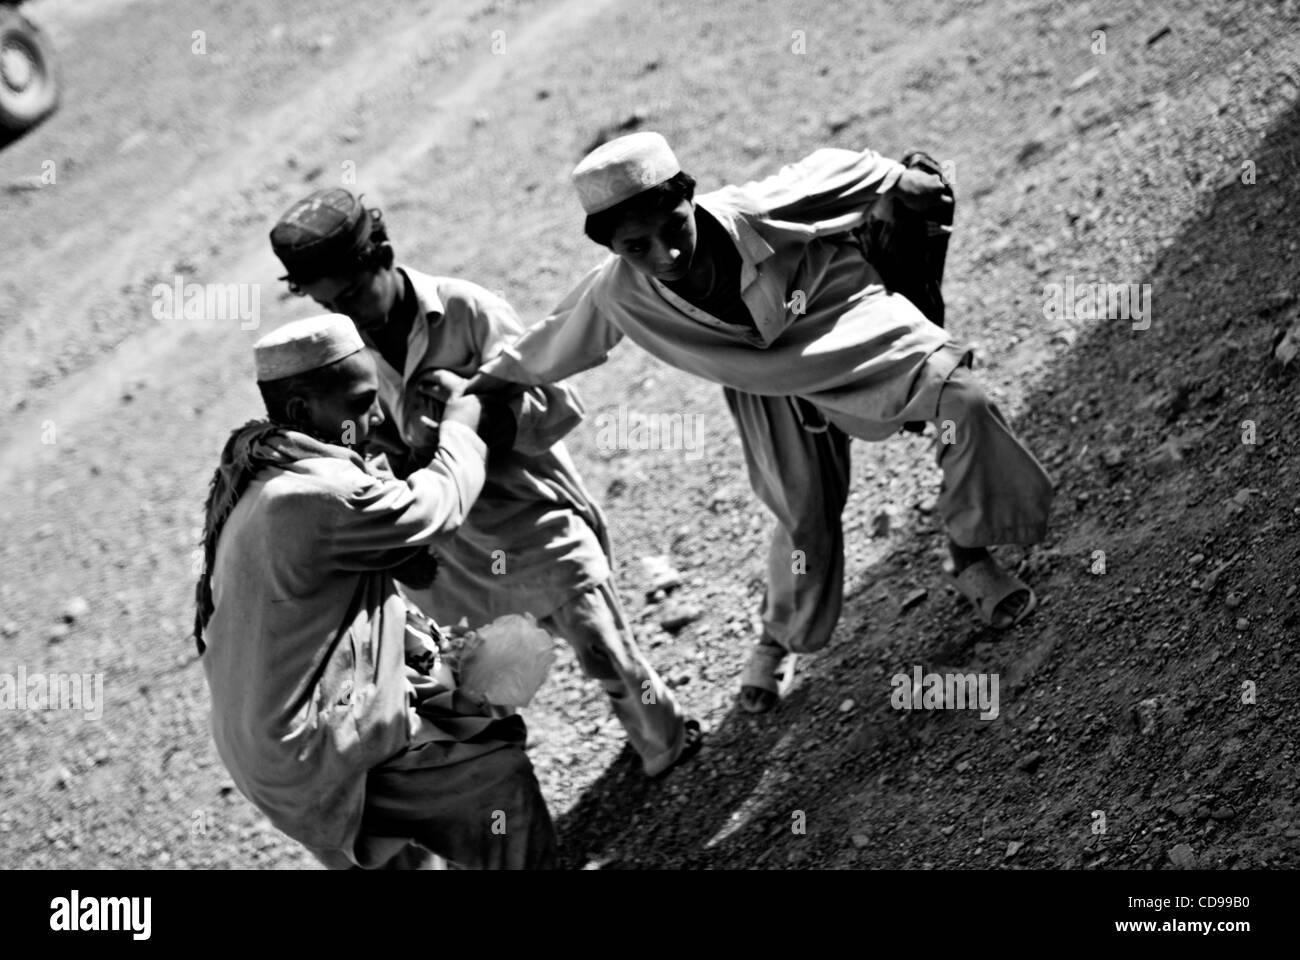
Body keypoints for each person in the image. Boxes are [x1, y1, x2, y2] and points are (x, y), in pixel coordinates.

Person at [469, 132, 1055, 714]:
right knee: (802, 516)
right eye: (636, 246)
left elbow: (833, 168)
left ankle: (970, 554)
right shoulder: (617, 294)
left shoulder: (757, 212)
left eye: (674, 226)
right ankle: (779, 636)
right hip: (765, 387)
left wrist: (895, 179)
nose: (666, 255)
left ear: (690, 199)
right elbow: (547, 344)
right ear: (612, 247)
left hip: (846, 328)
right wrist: (482, 390)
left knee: (964, 401)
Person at [267, 189, 701, 777]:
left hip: (529, 517)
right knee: (479, 688)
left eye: (352, 295)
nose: (350, 316)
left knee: (604, 648)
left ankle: (668, 745)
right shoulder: (348, 348)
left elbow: (556, 406)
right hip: (457, 551)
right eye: (330, 307)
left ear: (385, 256)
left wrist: (469, 403)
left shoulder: (466, 309)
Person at [194, 313, 555, 869]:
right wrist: (461, 425)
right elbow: (437, 508)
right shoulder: (313, 493)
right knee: (497, 782)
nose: (379, 414)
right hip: (315, 748)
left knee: (396, 853)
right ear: (300, 412)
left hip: (264, 748)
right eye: (361, 403)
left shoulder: (258, 471)